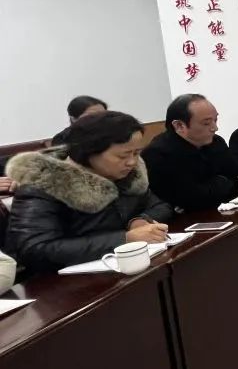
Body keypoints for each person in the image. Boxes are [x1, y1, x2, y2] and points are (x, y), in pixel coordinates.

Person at [3, 111, 172, 276]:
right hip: (64, 283)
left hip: (122, 270)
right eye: (123, 156)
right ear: (89, 152)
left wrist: (138, 221)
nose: (132, 162)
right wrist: (124, 239)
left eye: (136, 153)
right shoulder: (44, 184)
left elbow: (160, 205)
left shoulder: (127, 176)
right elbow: (35, 250)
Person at [142, 94, 238, 212]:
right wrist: (222, 182)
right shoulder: (157, 154)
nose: (215, 128)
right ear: (179, 126)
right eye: (206, 123)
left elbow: (237, 179)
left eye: (215, 120)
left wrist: (216, 185)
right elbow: (190, 199)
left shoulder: (216, 142)